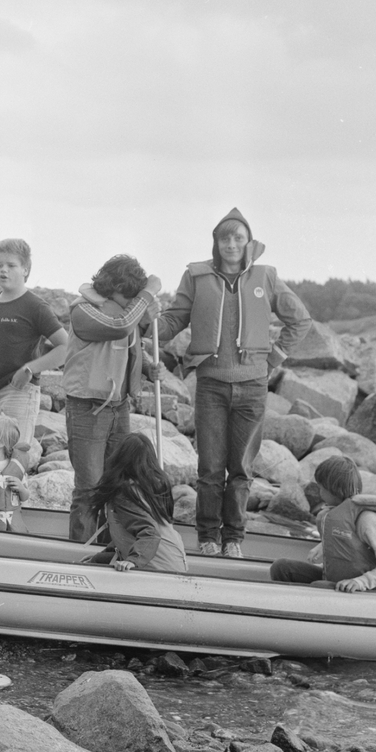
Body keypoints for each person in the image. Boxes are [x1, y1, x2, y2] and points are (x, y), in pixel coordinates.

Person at [156, 208, 311, 558]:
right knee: (210, 467)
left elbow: (300, 319)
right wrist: (146, 325)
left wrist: (275, 357)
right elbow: (175, 319)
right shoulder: (195, 276)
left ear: (248, 242)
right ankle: (208, 536)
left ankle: (234, 540)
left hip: (253, 387)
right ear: (216, 242)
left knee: (241, 469)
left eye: (238, 238)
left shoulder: (266, 276)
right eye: (225, 237)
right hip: (210, 384)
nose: (231, 244)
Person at [61, 255, 163, 542]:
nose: (131, 302)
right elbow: (119, 326)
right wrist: (146, 294)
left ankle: (111, 547)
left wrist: (146, 367)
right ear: (111, 288)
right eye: (128, 295)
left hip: (119, 407)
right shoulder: (84, 311)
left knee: (118, 484)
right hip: (87, 409)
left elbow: (127, 343)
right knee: (90, 488)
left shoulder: (122, 312)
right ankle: (80, 553)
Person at [0, 239, 70, 482]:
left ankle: (11, 510)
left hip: (19, 392)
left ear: (26, 270)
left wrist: (30, 368)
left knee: (14, 456)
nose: (3, 270)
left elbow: (65, 346)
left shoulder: (35, 306)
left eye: (11, 265)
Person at [269, 456, 376, 591]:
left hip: (365, 589)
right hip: (336, 580)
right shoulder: (335, 513)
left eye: (321, 488)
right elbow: (347, 540)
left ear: (333, 489)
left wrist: (361, 582)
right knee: (282, 567)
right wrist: (322, 545)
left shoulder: (368, 520)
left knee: (319, 586)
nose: (319, 492)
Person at [87, 434, 188, 573]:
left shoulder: (124, 493)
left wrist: (133, 561)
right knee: (96, 561)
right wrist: (103, 555)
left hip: (156, 567)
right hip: (177, 563)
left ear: (120, 458)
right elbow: (127, 533)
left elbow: (150, 532)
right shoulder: (155, 487)